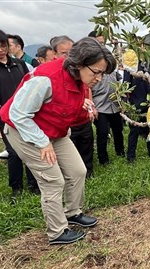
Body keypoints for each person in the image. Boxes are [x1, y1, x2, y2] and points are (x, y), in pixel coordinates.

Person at [0, 37, 116, 245]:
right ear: (79, 63)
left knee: (78, 171)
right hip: (25, 131)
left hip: (54, 131)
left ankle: (72, 212)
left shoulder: (78, 79)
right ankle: (57, 231)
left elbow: (65, 107)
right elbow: (19, 114)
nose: (98, 78)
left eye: (102, 73)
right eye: (96, 72)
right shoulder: (46, 78)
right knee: (53, 180)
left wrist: (84, 110)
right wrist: (43, 143)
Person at [0, 28, 39, 199]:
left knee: (32, 147)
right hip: (4, 116)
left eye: (3, 46)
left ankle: (34, 184)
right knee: (15, 151)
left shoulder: (19, 64)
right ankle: (16, 188)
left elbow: (30, 86)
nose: (0, 50)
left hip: (26, 114)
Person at [51, 35, 94, 178]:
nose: (68, 56)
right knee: (70, 151)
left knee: (86, 145)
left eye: (71, 52)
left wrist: (90, 106)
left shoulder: (79, 70)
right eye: (64, 53)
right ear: (55, 54)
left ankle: (88, 172)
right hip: (67, 123)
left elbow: (87, 90)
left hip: (83, 118)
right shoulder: (54, 74)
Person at [89, 30, 125, 165]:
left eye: (103, 43)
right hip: (100, 104)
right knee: (103, 132)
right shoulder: (89, 62)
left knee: (118, 130)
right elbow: (87, 87)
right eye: (99, 43)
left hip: (114, 103)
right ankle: (103, 159)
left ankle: (120, 152)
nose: (102, 46)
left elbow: (118, 75)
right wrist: (92, 106)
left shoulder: (109, 58)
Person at [124, 58, 150, 163]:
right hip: (135, 105)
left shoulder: (149, 65)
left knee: (149, 128)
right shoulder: (130, 66)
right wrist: (125, 103)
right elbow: (126, 85)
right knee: (134, 131)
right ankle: (130, 156)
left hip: (148, 104)